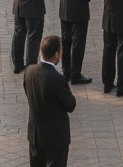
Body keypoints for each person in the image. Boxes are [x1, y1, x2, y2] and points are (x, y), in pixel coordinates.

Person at [23, 34, 76, 167]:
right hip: (55, 138)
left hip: (35, 135)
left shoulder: (29, 71)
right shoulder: (57, 79)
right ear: (57, 54)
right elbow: (70, 105)